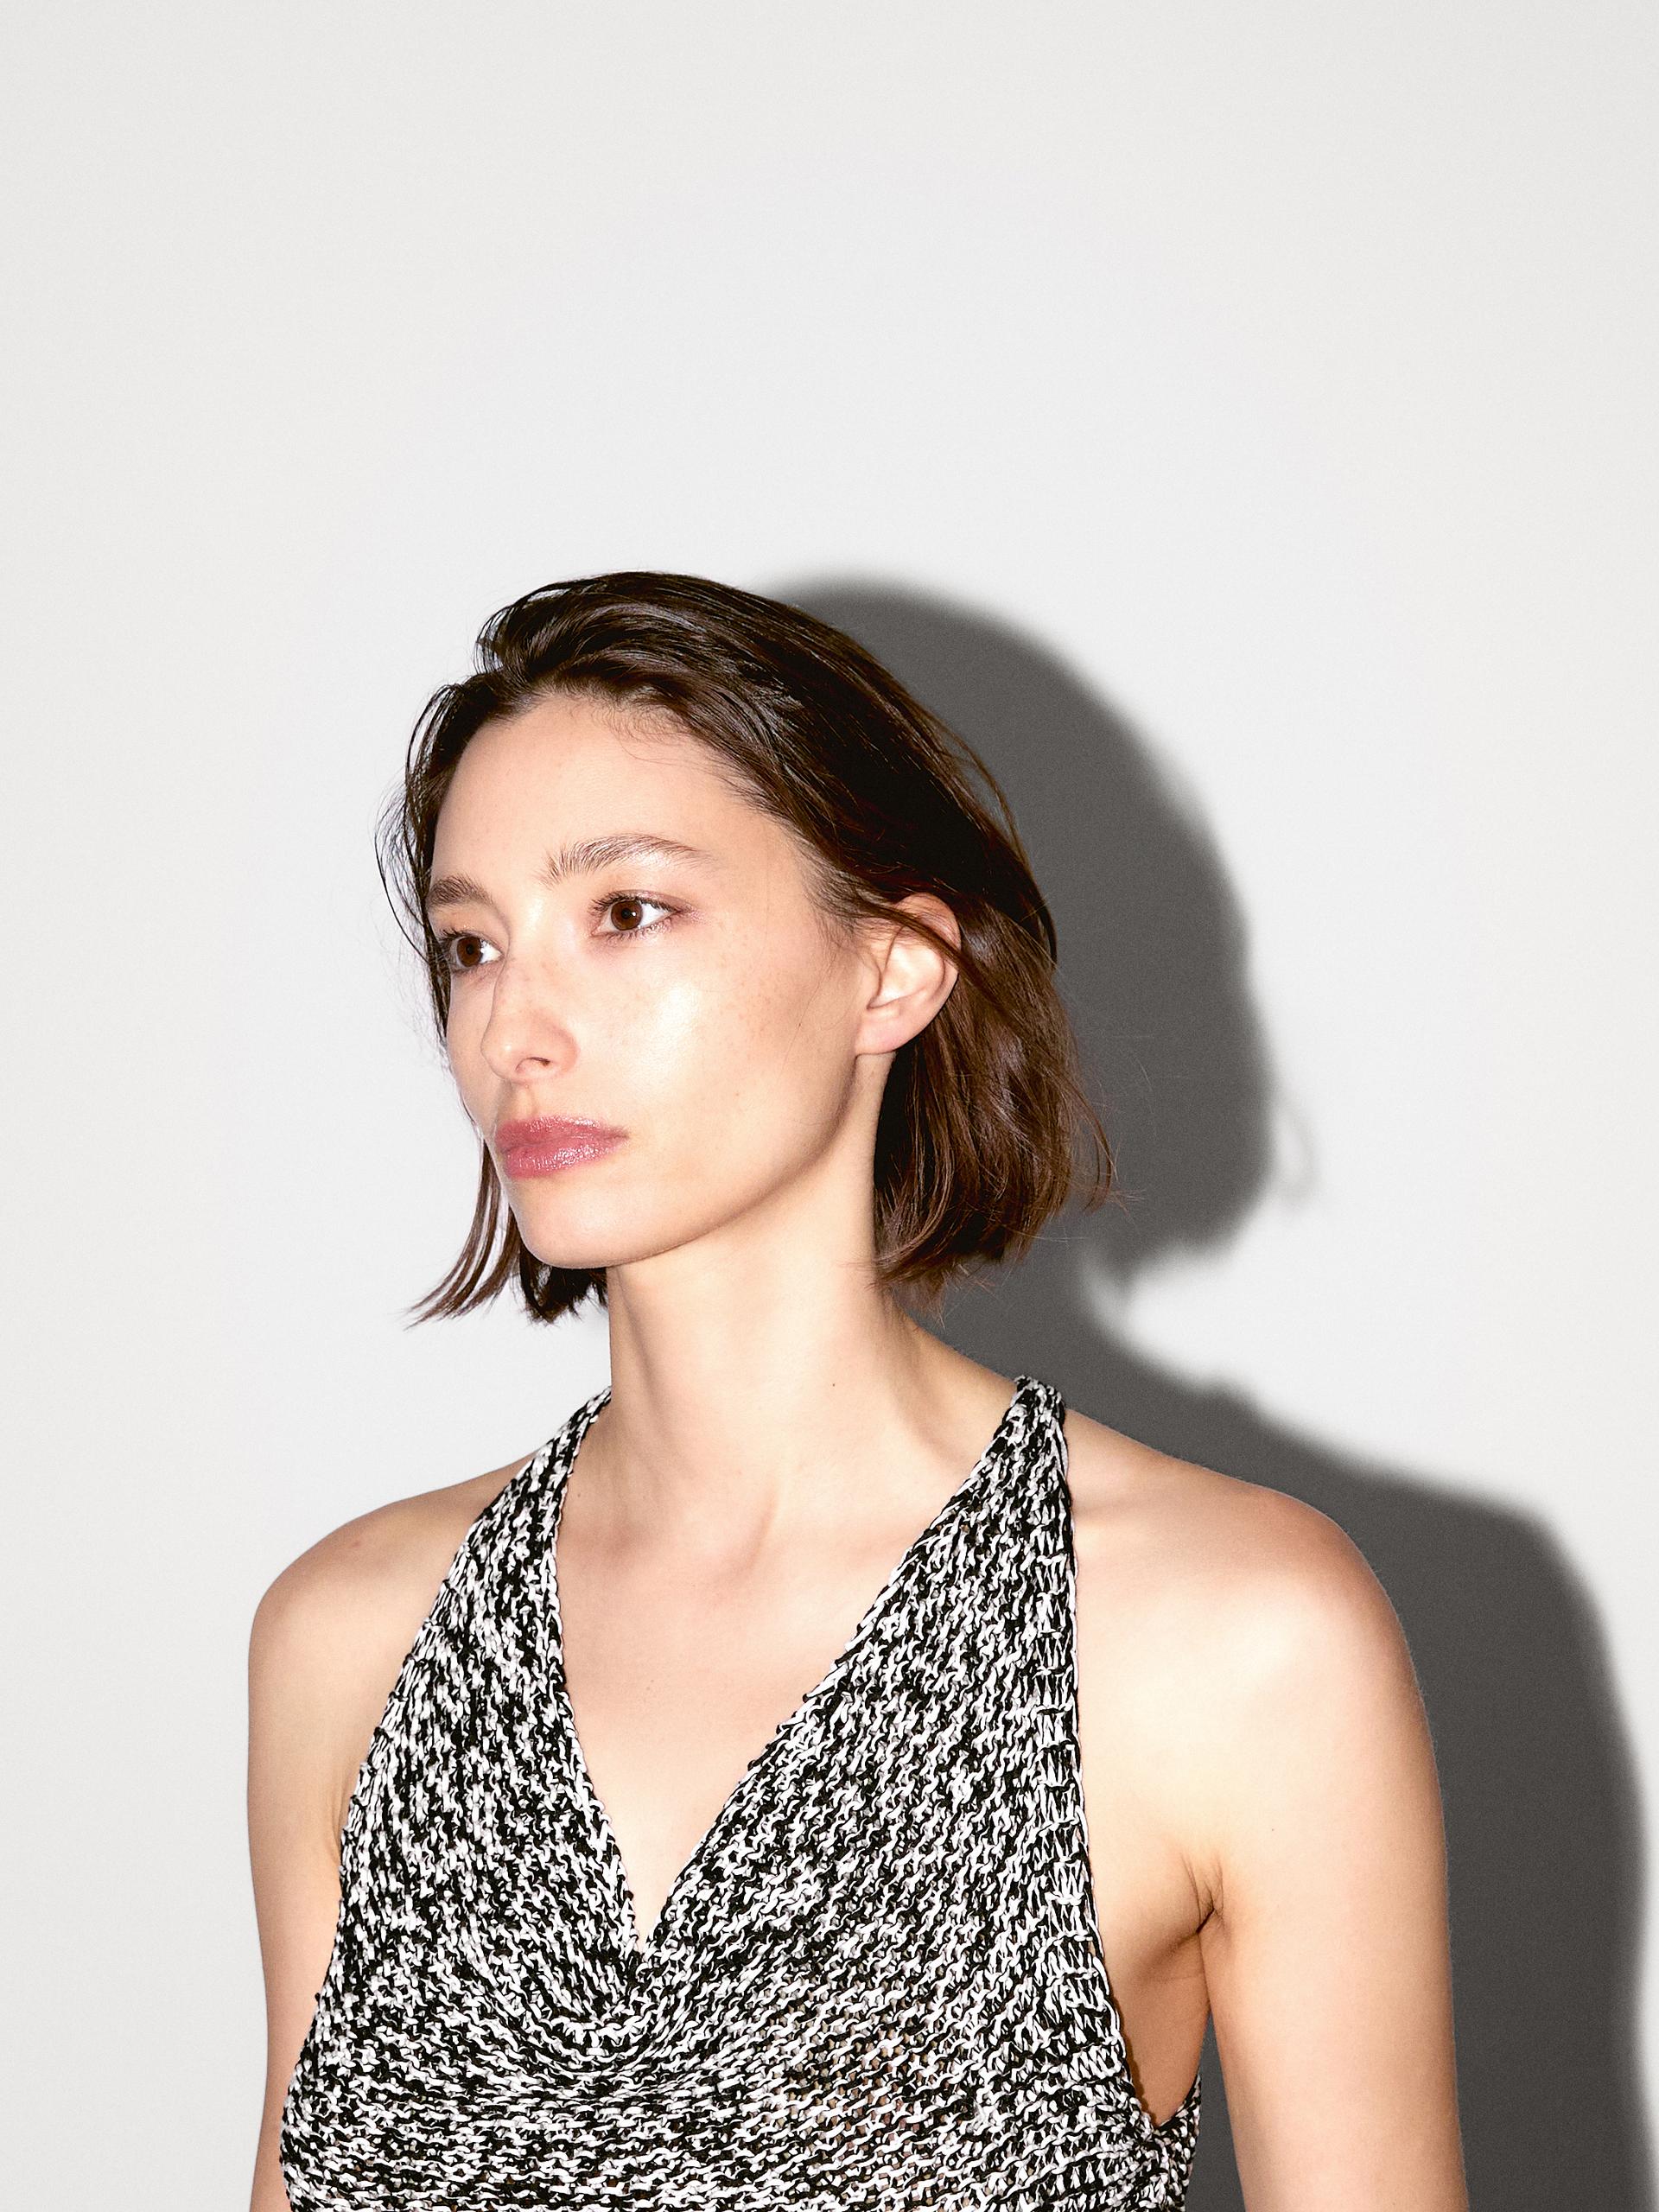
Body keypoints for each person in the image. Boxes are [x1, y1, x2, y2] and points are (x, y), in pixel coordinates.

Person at [245, 572, 1469, 2209]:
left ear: (893, 969)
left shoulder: (1239, 1639)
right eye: (473, 945)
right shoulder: (353, 1640)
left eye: (627, 913)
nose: (512, 1029)